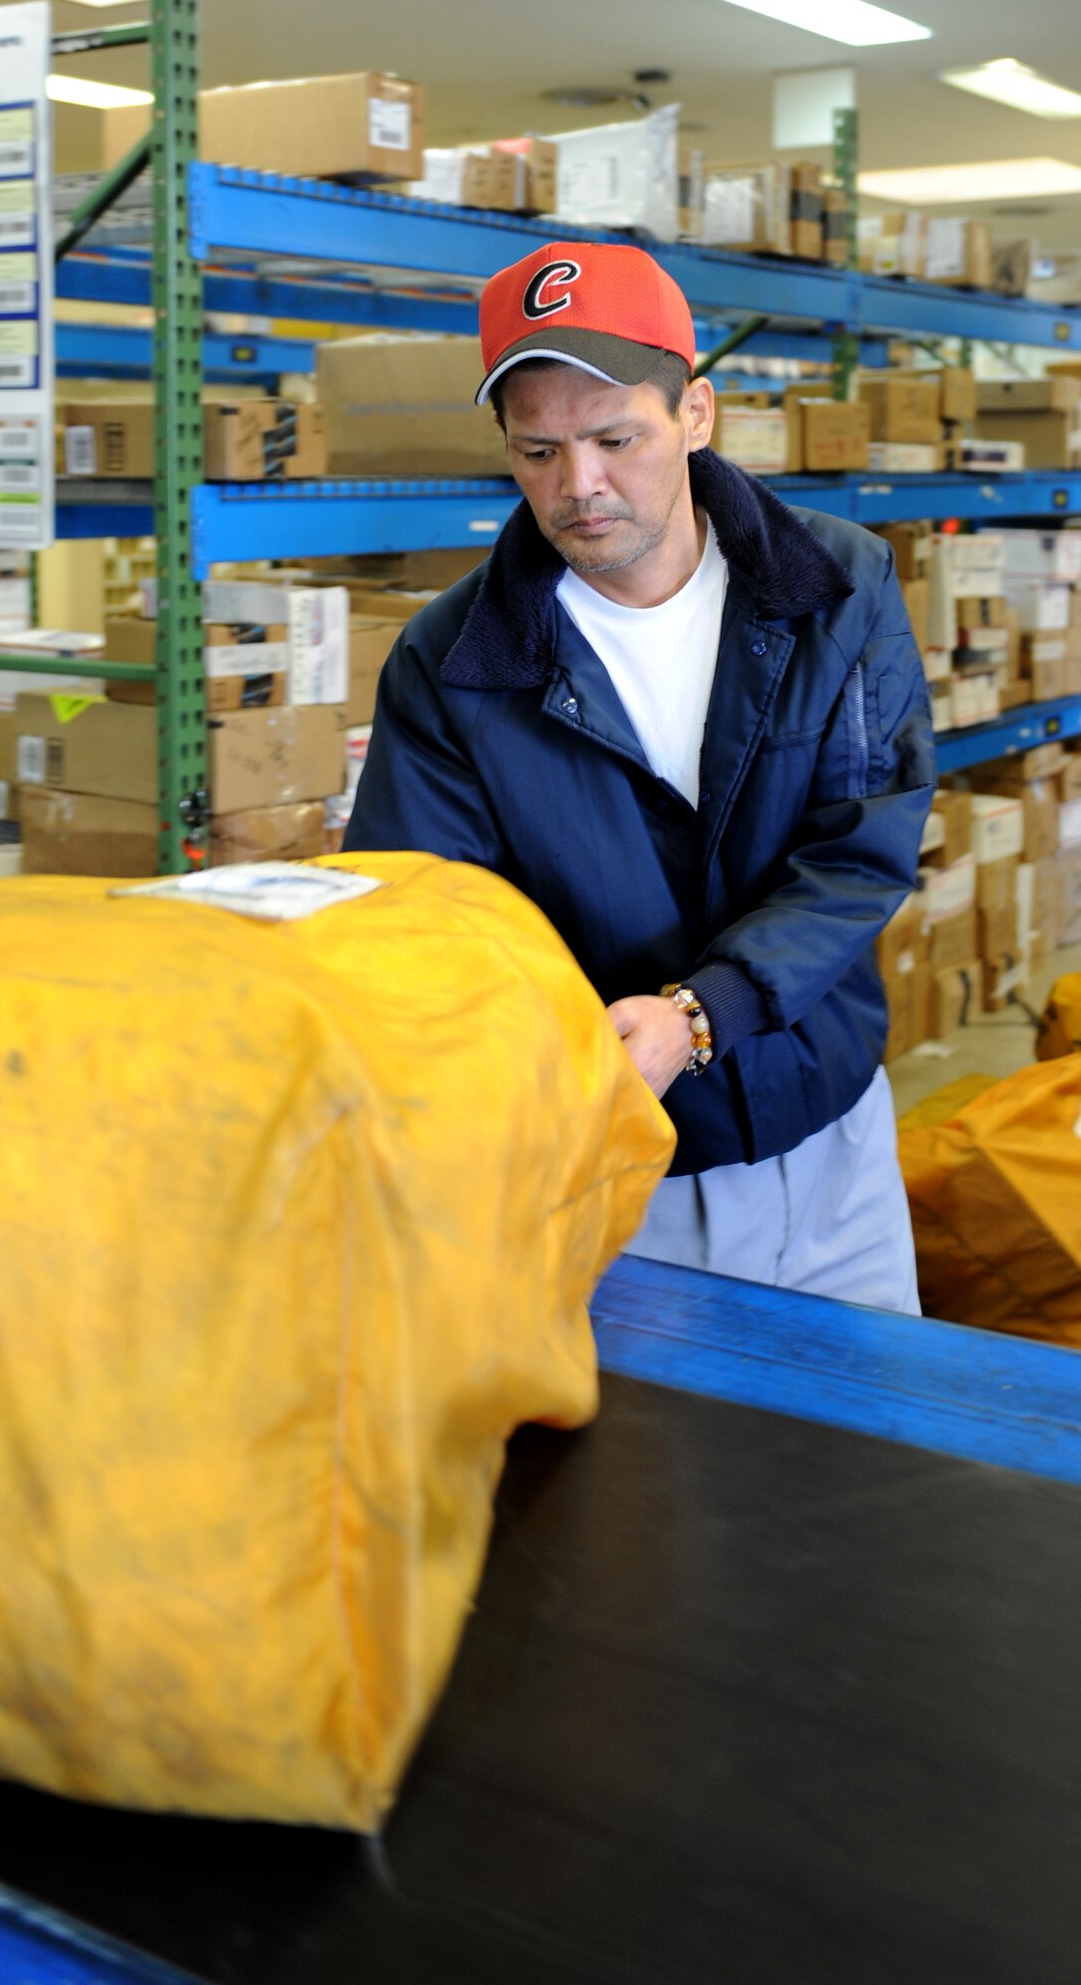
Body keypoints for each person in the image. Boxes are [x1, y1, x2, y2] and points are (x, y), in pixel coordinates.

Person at [344, 239, 935, 1314]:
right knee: (660, 1476)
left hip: (831, 1129)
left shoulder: (836, 586)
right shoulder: (449, 663)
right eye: (536, 452)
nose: (579, 487)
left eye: (615, 438)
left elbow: (860, 846)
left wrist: (700, 1013)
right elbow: (426, 919)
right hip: (621, 1167)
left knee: (869, 1461)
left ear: (695, 415)